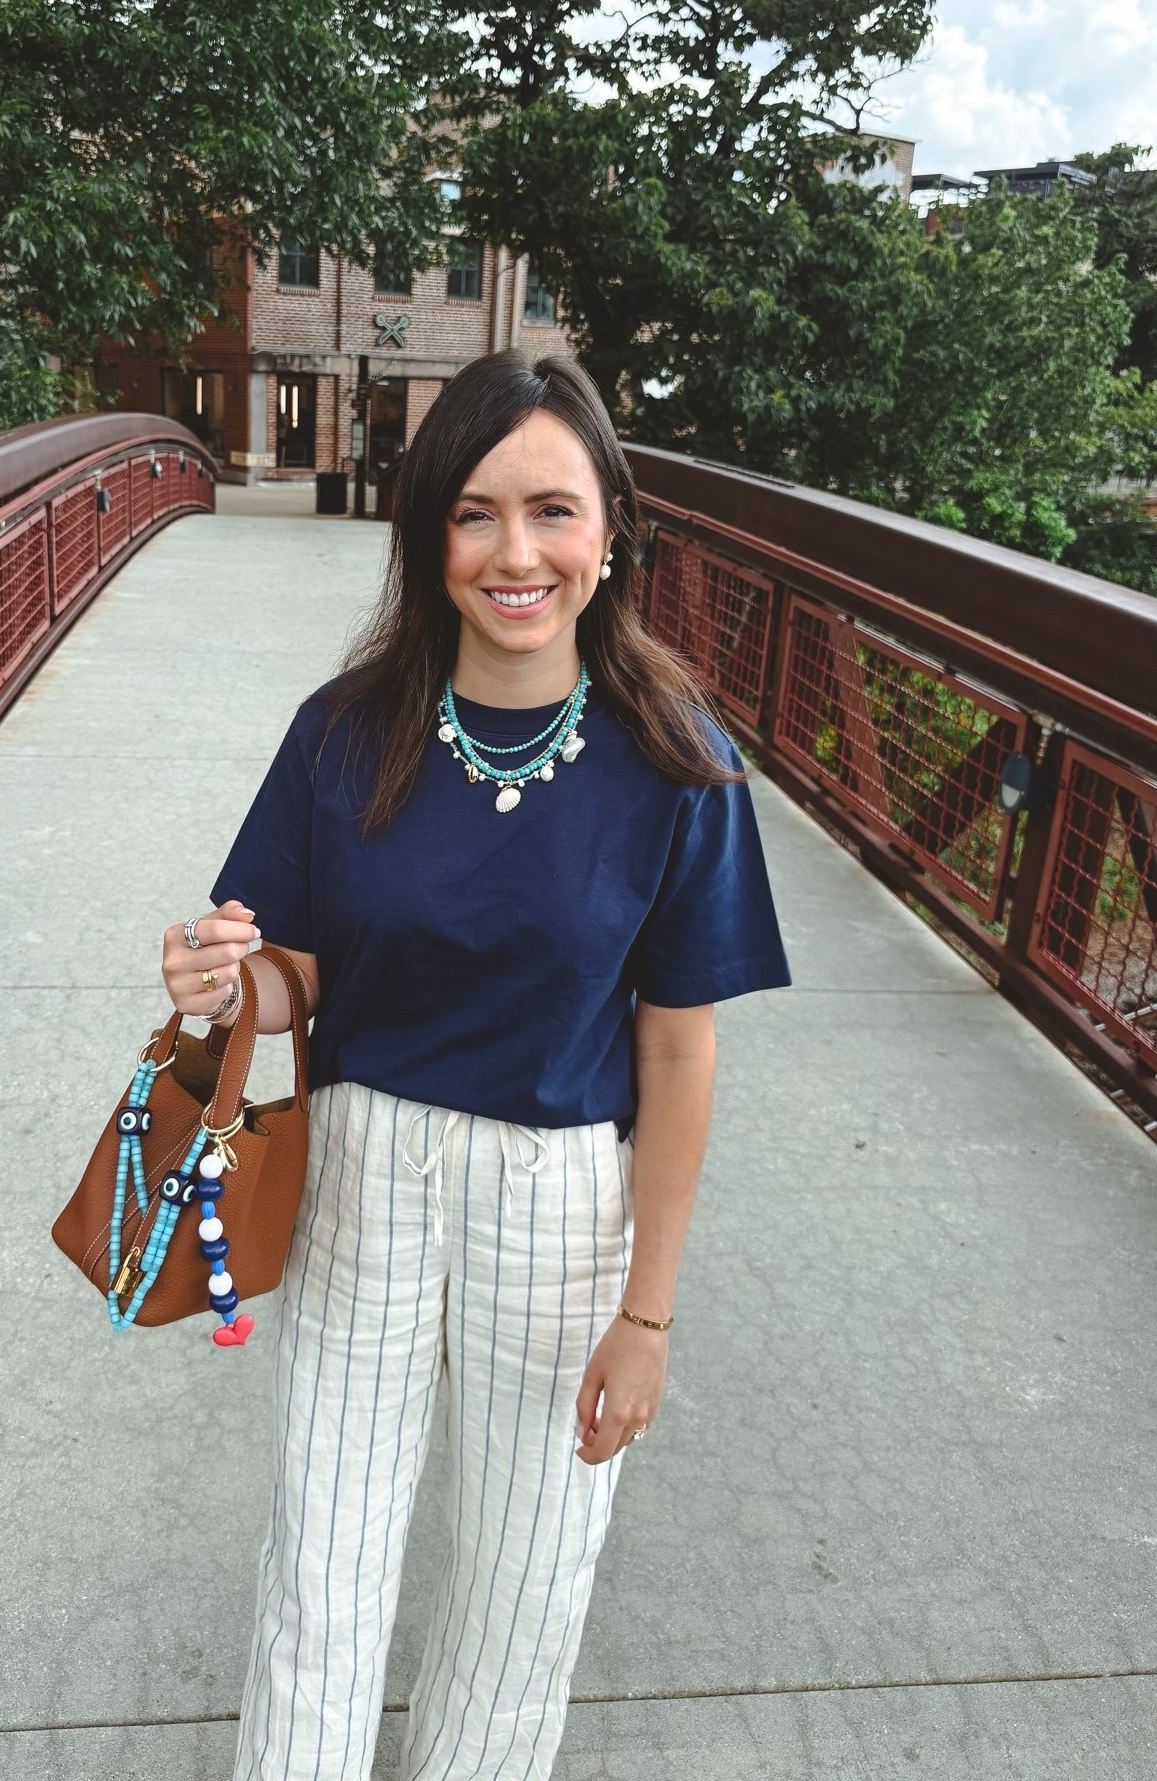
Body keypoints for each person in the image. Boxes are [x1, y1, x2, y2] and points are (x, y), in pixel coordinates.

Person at [160, 350, 792, 1781]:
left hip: (561, 1199)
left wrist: (651, 1315)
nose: (517, 555)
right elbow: (296, 973)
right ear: (428, 532)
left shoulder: (680, 762)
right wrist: (226, 981)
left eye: (554, 513)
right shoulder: (343, 733)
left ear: (611, 530)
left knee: (524, 1581)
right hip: (363, 1177)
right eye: (475, 513)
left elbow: (680, 1053)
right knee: (324, 1561)